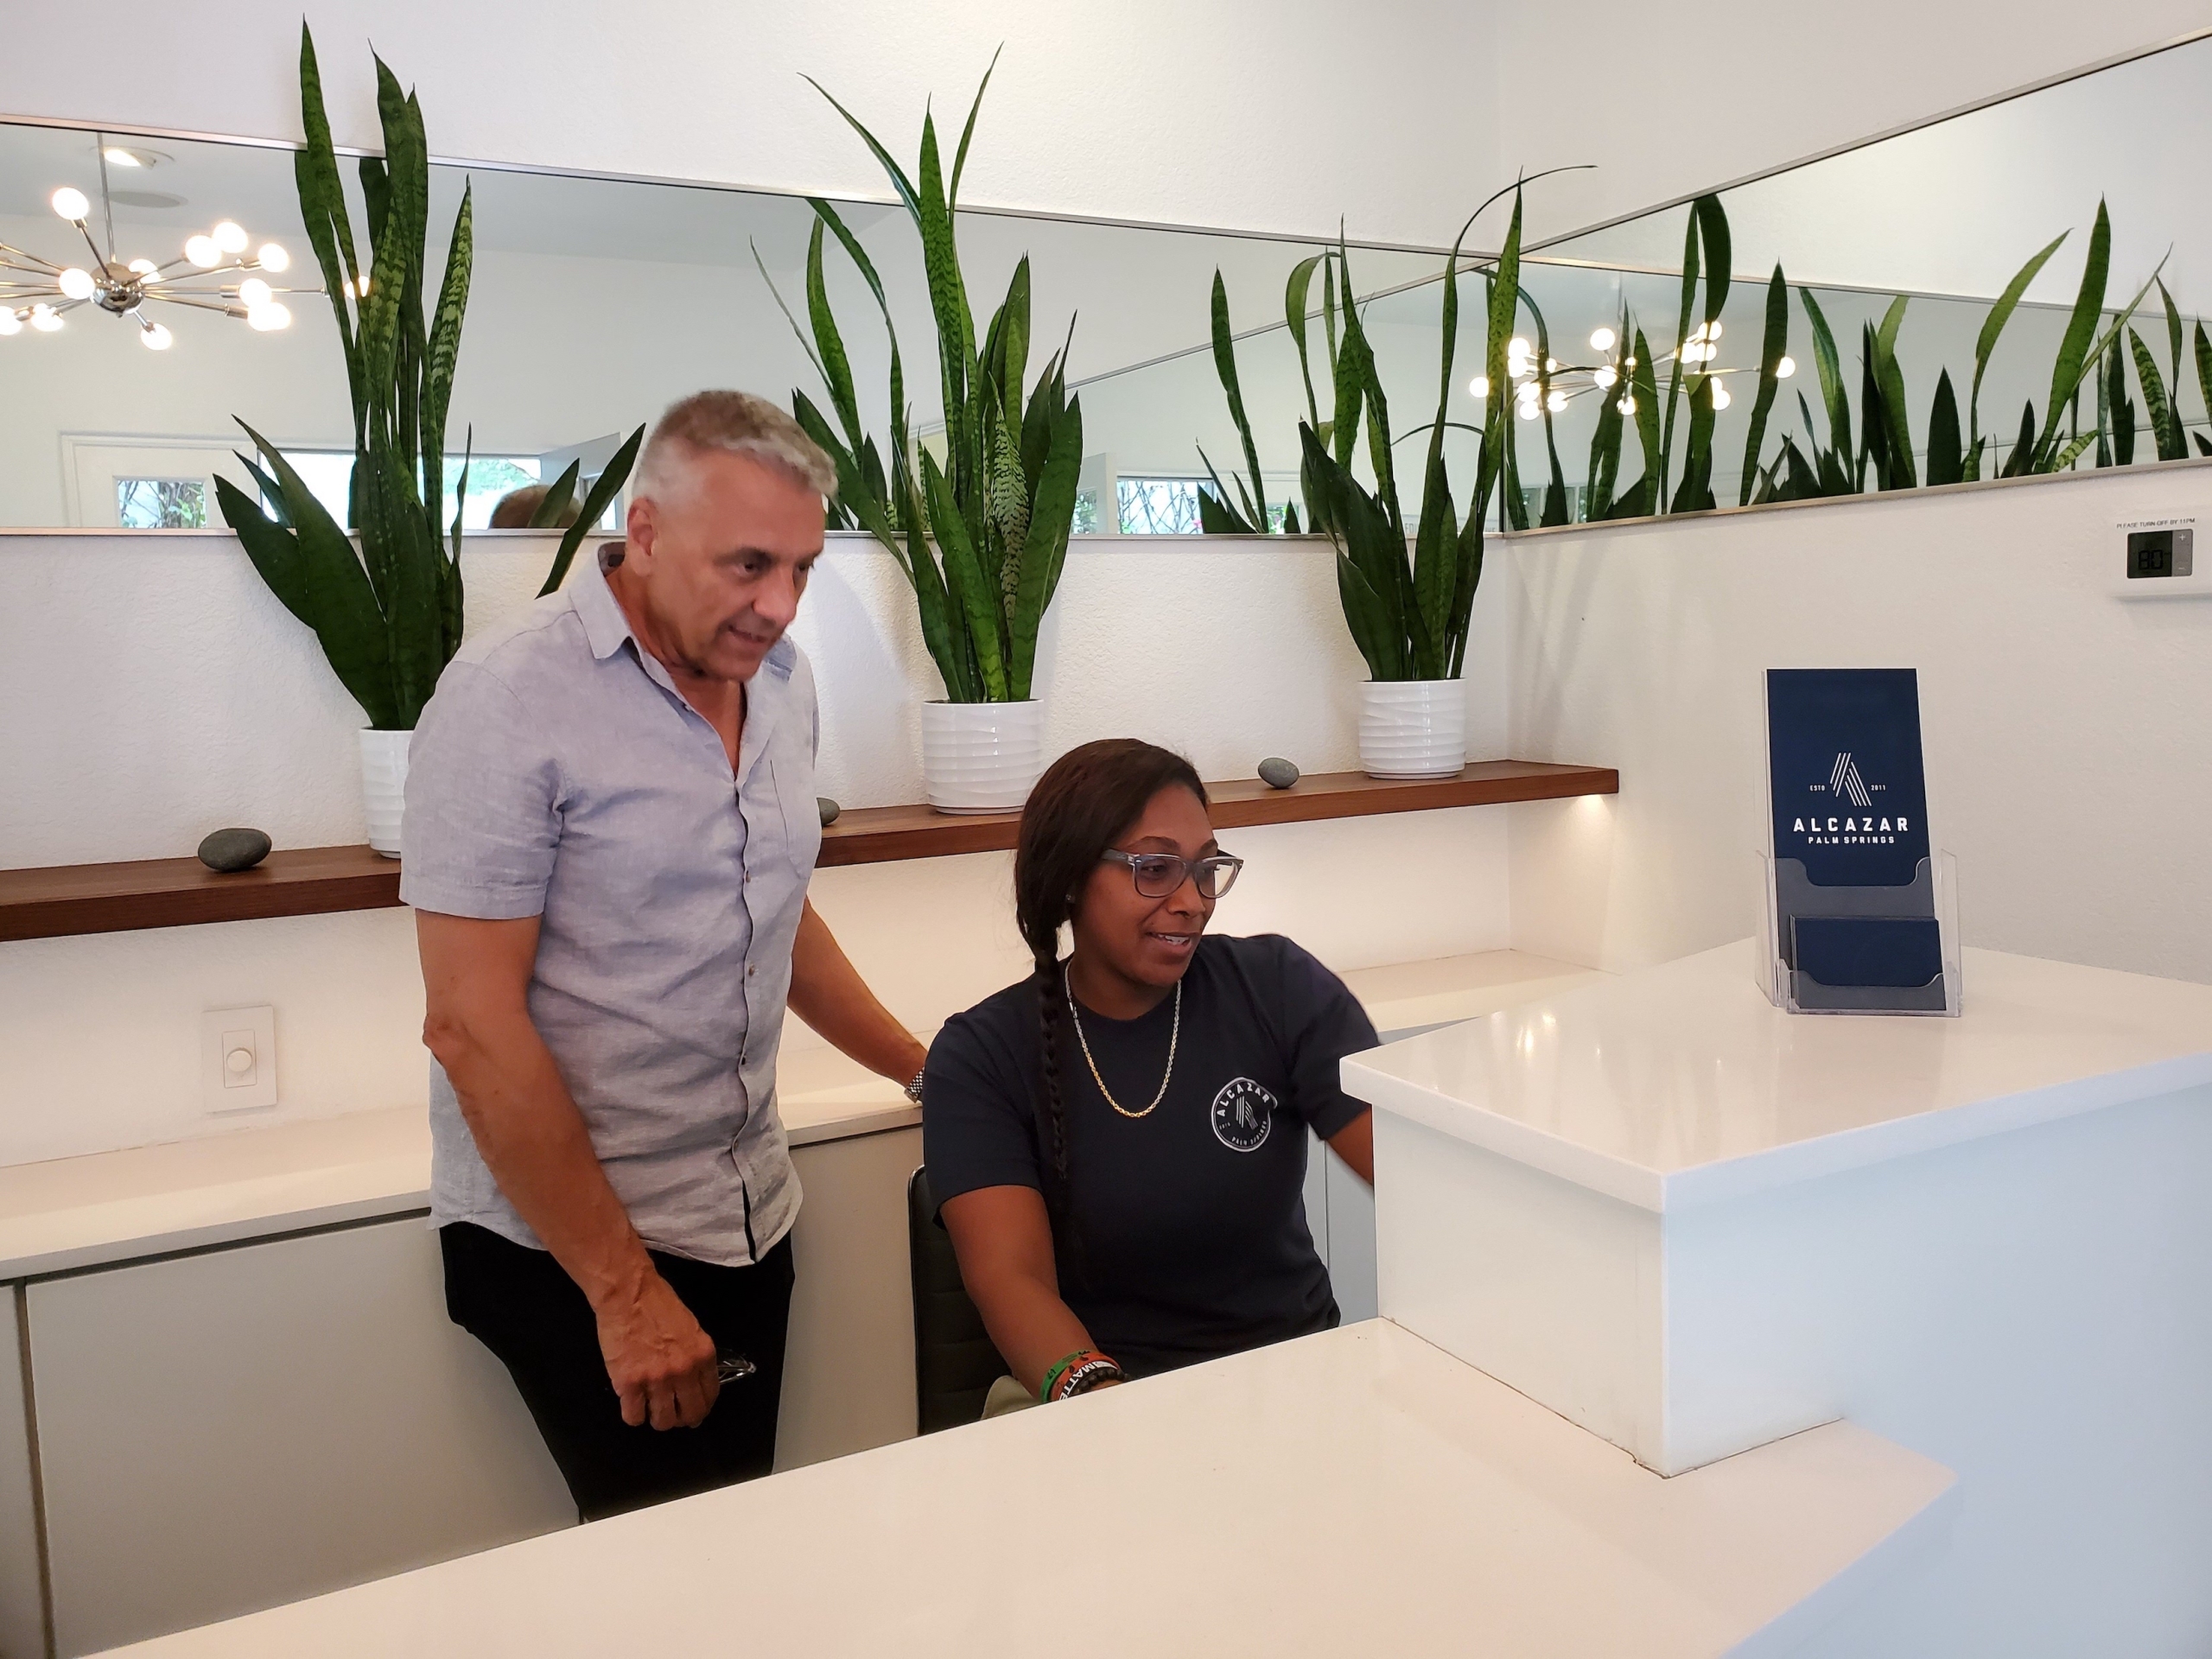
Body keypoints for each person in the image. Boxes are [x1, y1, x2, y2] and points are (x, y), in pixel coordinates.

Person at [401, 391, 928, 1521]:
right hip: (581, 1252)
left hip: (747, 1209)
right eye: (746, 565)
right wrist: (626, 1296)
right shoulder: (506, 697)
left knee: (732, 1542)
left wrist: (922, 1068)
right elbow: (470, 1026)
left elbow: (774, 909)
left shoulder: (779, 681)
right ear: (641, 533)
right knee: (665, 1585)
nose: (778, 606)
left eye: (801, 568)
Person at [921, 739, 1379, 1408]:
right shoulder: (981, 1054)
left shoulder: (1275, 986)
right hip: (1103, 1396)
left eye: (1206, 869)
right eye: (1156, 869)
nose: (1193, 901)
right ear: (1073, 876)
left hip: (1298, 1380)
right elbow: (1010, 1280)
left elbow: (1407, 1170)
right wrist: (1110, 1407)